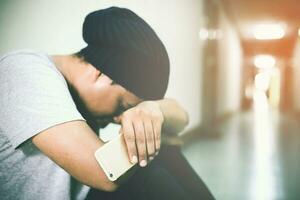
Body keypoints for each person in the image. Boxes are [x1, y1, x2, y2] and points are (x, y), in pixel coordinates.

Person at [0, 7, 214, 200]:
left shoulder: (83, 102)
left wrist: (154, 110)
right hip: (96, 184)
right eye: (123, 106)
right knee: (148, 160)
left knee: (163, 150)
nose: (119, 119)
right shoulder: (22, 70)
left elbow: (181, 118)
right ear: (101, 73)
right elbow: (105, 173)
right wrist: (151, 131)